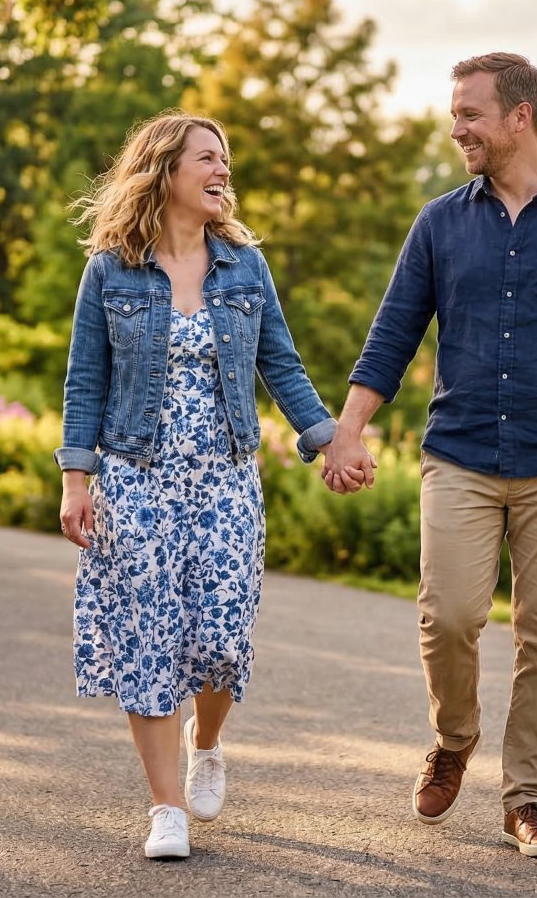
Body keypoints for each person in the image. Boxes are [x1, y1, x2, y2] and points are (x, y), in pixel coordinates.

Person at [324, 53, 537, 858]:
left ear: (520, 117)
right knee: (451, 617)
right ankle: (455, 736)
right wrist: (349, 426)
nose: (456, 127)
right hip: (462, 455)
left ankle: (529, 801)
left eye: (470, 113)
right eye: (455, 112)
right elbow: (393, 333)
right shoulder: (440, 221)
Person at [55, 111, 339, 861]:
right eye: (207, 159)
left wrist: (327, 440)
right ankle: (166, 809)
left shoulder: (245, 266)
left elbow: (282, 363)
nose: (222, 172)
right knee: (148, 641)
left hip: (224, 480)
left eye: (226, 161)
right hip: (135, 478)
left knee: (220, 638)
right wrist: (76, 481)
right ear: (165, 171)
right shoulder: (111, 269)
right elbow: (85, 380)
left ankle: (204, 740)